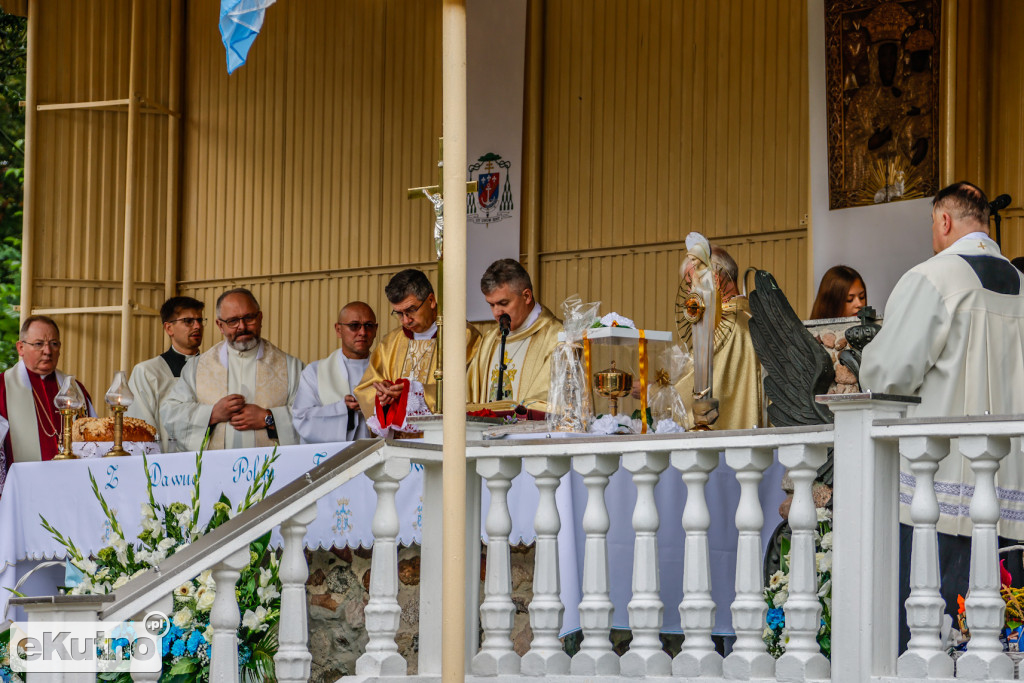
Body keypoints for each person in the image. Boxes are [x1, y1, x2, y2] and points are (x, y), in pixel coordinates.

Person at [860, 181, 1024, 648]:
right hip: (1012, 495)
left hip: (943, 496)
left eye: (933, 223)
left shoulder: (934, 278)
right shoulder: (1021, 284)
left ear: (944, 220)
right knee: (1001, 643)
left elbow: (887, 374)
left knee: (928, 643)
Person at [161, 288, 303, 451]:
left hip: (272, 466)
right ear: (220, 325)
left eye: (249, 318)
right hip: (215, 465)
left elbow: (311, 418)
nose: (242, 326)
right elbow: (171, 414)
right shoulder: (196, 368)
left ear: (260, 318)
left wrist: (269, 418)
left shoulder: (291, 367)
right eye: (233, 321)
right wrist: (212, 414)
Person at [354, 268, 481, 417]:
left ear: (431, 301)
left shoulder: (463, 336)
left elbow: (467, 389)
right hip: (397, 431)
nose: (406, 320)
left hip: (442, 430)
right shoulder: (390, 343)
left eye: (411, 310)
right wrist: (382, 395)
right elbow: (365, 389)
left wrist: (416, 391)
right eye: (399, 313)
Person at [675, 244, 763, 430]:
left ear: (712, 280)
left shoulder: (722, 325)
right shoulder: (754, 318)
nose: (689, 293)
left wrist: (652, 391)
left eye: (691, 283)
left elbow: (692, 386)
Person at [0, 316, 96, 475]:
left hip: (72, 480)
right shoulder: (3, 388)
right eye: (39, 344)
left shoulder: (75, 389)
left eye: (54, 344)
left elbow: (94, 441)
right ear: (21, 348)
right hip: (24, 484)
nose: (47, 351)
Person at [466, 259, 562, 413]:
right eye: (491, 305)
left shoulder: (557, 337)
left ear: (526, 296)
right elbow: (468, 397)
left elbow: (552, 401)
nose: (497, 312)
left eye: (503, 303)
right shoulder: (490, 341)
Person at [125, 296, 205, 451]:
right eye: (188, 321)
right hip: (165, 461)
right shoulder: (147, 372)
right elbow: (143, 431)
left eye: (200, 320)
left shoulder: (214, 370)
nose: (197, 326)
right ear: (169, 328)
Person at [293, 302, 378, 442]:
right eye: (354, 326)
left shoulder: (385, 370)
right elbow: (302, 419)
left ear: (376, 330)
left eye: (369, 325)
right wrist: (343, 410)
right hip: (335, 454)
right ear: (338, 330)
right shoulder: (315, 372)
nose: (363, 332)